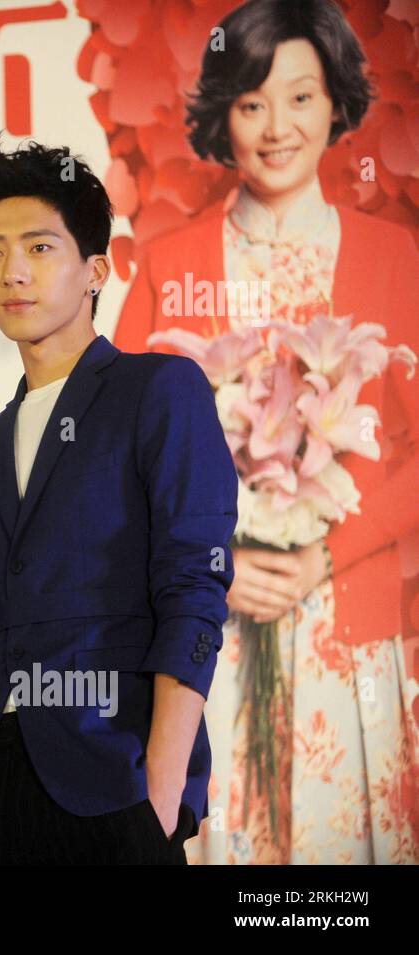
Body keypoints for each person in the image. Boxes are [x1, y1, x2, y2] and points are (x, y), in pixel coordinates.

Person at [113, 0, 419, 863]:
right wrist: (219, 565)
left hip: (349, 638)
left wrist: (330, 552)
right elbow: (117, 466)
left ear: (335, 104)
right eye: (252, 103)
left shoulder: (395, 257)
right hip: (214, 645)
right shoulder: (169, 264)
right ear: (223, 115)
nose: (277, 126)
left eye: (300, 97)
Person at [0, 135, 238, 864]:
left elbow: (193, 589)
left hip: (109, 775)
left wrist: (159, 785)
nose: (12, 271)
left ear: (97, 269)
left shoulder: (159, 390)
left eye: (38, 247)